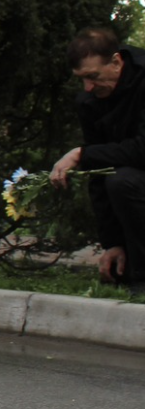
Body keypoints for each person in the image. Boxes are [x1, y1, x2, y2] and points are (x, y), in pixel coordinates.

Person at [51, 27, 145, 293]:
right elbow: (99, 173)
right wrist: (112, 243)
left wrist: (82, 154)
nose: (88, 87)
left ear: (116, 62)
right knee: (116, 180)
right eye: (81, 79)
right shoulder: (90, 101)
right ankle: (134, 275)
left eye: (93, 77)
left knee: (123, 181)